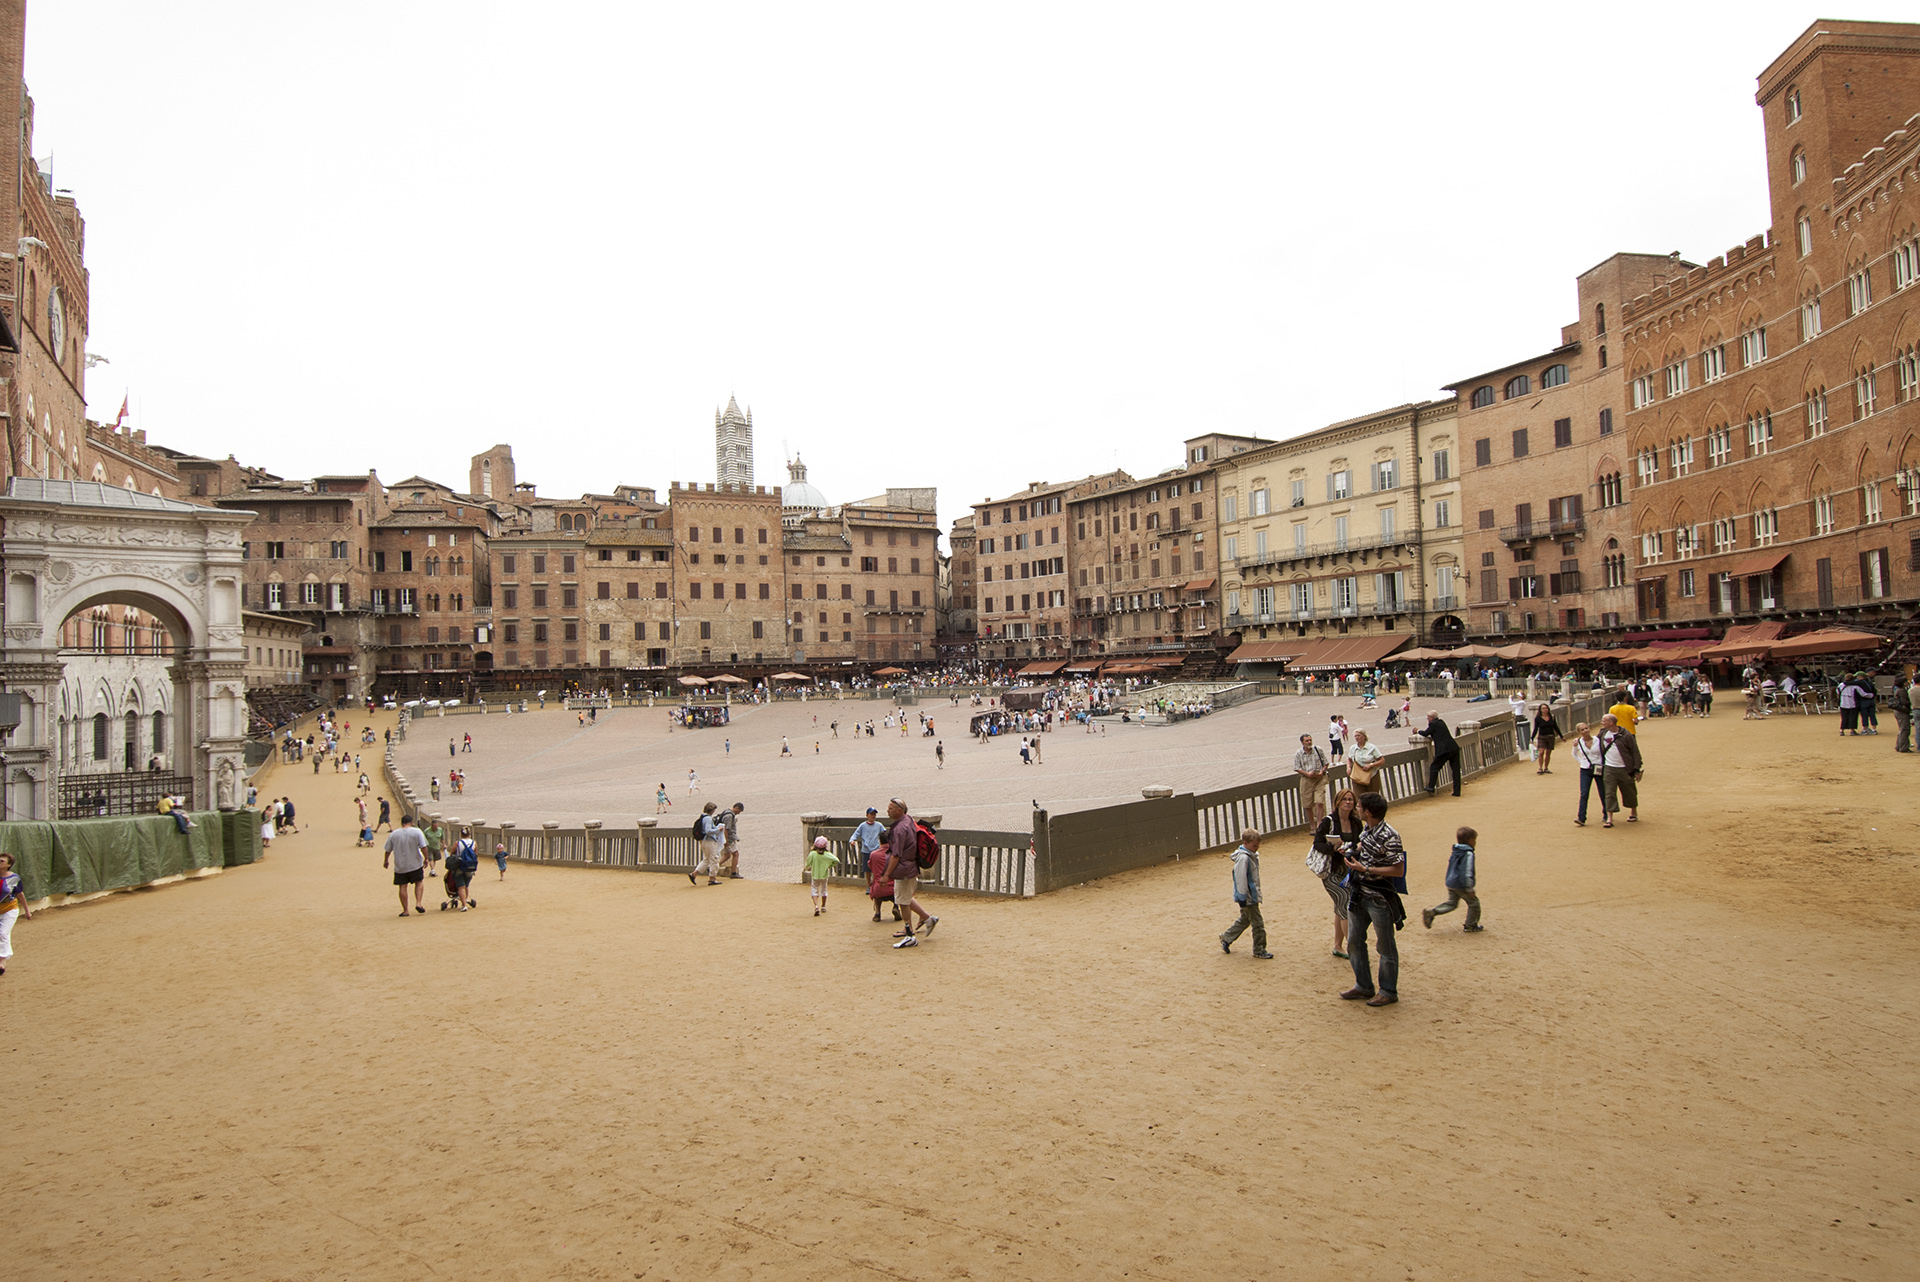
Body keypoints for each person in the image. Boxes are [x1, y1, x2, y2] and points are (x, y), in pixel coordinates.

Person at [1339, 793, 1407, 1007]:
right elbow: (1362, 847)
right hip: (1359, 893)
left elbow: (1398, 870)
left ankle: (1388, 990)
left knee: (1385, 946)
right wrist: (1351, 850)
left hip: (1378, 896)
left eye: (1359, 806)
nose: (1356, 809)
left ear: (1367, 811)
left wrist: (1366, 868)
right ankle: (1363, 985)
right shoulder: (1368, 829)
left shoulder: (1390, 835)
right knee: (1354, 942)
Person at [1312, 789, 1365, 960]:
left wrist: (1355, 848)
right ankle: (1354, 946)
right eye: (1345, 800)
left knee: (1340, 907)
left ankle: (1337, 946)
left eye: (1351, 800)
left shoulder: (1356, 823)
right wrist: (1334, 849)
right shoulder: (1328, 822)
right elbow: (1317, 843)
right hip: (1331, 871)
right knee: (1345, 902)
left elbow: (1360, 843)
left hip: (1348, 871)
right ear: (1337, 802)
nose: (1348, 802)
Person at [883, 798, 935, 945]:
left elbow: (896, 854)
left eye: (891, 808)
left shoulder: (899, 829)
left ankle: (910, 934)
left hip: (903, 869)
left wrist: (886, 875)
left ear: (899, 811)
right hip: (911, 867)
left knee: (902, 901)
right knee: (905, 897)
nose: (888, 810)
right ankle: (926, 918)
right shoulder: (908, 819)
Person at [1217, 829, 1272, 959]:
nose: (1256, 848)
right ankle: (1259, 949)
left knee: (1246, 919)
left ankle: (1227, 937)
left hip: (1248, 896)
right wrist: (1242, 896)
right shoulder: (1244, 858)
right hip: (1248, 897)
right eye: (1254, 845)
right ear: (1245, 843)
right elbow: (1241, 878)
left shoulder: (1248, 856)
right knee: (1258, 924)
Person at [1423, 825, 1482, 932]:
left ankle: (1432, 912)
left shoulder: (1455, 851)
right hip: (1461, 884)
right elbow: (1467, 871)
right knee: (1474, 903)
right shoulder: (1468, 854)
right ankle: (1470, 925)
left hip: (1451, 881)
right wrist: (1469, 887)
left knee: (1452, 903)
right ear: (1470, 840)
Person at [1597, 713, 1643, 827]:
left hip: (1624, 768)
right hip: (1609, 768)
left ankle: (1633, 811)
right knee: (1609, 792)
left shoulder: (1626, 735)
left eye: (1604, 721)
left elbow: (1635, 751)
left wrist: (1637, 768)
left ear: (1611, 723)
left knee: (1629, 791)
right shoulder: (1602, 734)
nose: (1602, 722)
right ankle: (1610, 817)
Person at [384, 815, 429, 916]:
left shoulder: (394, 834)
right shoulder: (417, 832)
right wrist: (426, 858)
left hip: (400, 865)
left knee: (402, 886)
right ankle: (418, 903)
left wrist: (386, 861)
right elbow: (423, 846)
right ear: (412, 822)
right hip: (415, 864)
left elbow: (387, 850)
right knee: (419, 882)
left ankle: (405, 910)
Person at [1416, 712, 1463, 797]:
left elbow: (1426, 733)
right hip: (1453, 747)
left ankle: (1431, 787)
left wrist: (1417, 731)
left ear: (1431, 717)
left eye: (1428, 718)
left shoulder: (1433, 724)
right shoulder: (1441, 722)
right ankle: (1457, 791)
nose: (1428, 720)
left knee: (1434, 767)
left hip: (1444, 750)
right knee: (1456, 770)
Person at [0, 851, 31, 975]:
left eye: (2, 861)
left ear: (9, 865)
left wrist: (27, 910)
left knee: (2, 933)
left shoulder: (14, 878)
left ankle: (1, 962)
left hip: (10, 910)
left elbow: (20, 894)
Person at [1569, 722, 1604, 827]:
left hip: (1598, 768)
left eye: (1586, 728)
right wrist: (1582, 762)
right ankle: (1581, 817)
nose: (1586, 731)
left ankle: (1606, 813)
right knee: (1584, 793)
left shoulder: (1597, 740)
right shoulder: (1578, 742)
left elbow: (1603, 752)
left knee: (1602, 791)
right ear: (1579, 732)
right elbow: (1574, 753)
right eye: (1583, 730)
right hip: (1585, 769)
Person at [1294, 734, 1330, 829]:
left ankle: (1319, 823)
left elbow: (1325, 763)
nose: (1309, 742)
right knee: (1308, 804)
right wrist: (1307, 774)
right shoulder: (1299, 753)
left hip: (1319, 779)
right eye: (1307, 741)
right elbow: (1297, 768)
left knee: (1319, 802)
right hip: (1306, 780)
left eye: (1310, 740)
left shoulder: (1318, 749)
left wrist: (1322, 772)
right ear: (1302, 742)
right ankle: (1312, 825)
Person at [803, 836, 839, 916]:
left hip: (815, 874)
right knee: (824, 890)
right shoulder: (827, 854)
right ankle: (823, 906)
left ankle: (816, 906)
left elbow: (808, 862)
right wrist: (829, 865)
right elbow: (836, 860)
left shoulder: (812, 854)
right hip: (824, 875)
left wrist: (807, 867)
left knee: (814, 889)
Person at [690, 802, 722, 885]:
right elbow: (708, 831)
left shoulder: (703, 817)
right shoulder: (708, 818)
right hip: (709, 841)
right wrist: (718, 830)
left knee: (706, 859)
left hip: (703, 841)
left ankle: (694, 874)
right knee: (714, 859)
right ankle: (712, 878)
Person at [448, 827, 479, 911]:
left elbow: (452, 854)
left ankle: (464, 905)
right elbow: (475, 855)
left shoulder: (457, 843)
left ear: (461, 834)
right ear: (469, 834)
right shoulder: (474, 843)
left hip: (459, 867)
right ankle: (464, 901)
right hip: (470, 867)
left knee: (461, 886)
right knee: (466, 885)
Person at [1531, 703, 1560, 775]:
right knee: (1541, 752)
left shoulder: (1552, 717)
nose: (1545, 709)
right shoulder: (1538, 718)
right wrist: (1532, 738)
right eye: (1543, 708)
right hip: (1542, 737)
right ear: (1540, 710)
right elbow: (1536, 729)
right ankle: (1540, 768)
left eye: (1546, 708)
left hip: (1550, 736)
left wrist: (1561, 736)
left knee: (1548, 753)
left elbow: (1555, 727)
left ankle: (1546, 767)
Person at [719, 802, 745, 879]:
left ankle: (713, 867)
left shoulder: (725, 812)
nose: (738, 813)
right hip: (729, 838)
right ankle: (734, 873)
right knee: (736, 854)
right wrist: (726, 841)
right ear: (736, 808)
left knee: (727, 855)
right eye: (739, 811)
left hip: (725, 838)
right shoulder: (729, 816)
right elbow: (726, 829)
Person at [1890, 678, 1913, 753]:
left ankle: (1899, 745)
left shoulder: (1898, 690)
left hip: (1898, 711)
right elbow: (1904, 701)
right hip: (1902, 712)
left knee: (1902, 729)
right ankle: (1903, 747)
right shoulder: (1902, 691)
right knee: (1905, 729)